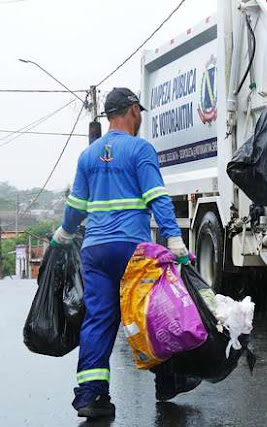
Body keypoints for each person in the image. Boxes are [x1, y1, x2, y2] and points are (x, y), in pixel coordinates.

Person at [51, 88, 197, 419]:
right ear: (132, 110)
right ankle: (168, 381)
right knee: (154, 314)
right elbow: (157, 197)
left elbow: (76, 206)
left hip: (95, 250)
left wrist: (63, 233)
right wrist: (174, 240)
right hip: (132, 250)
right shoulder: (140, 149)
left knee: (99, 319)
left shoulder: (88, 155)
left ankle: (91, 395)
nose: (140, 116)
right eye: (139, 111)